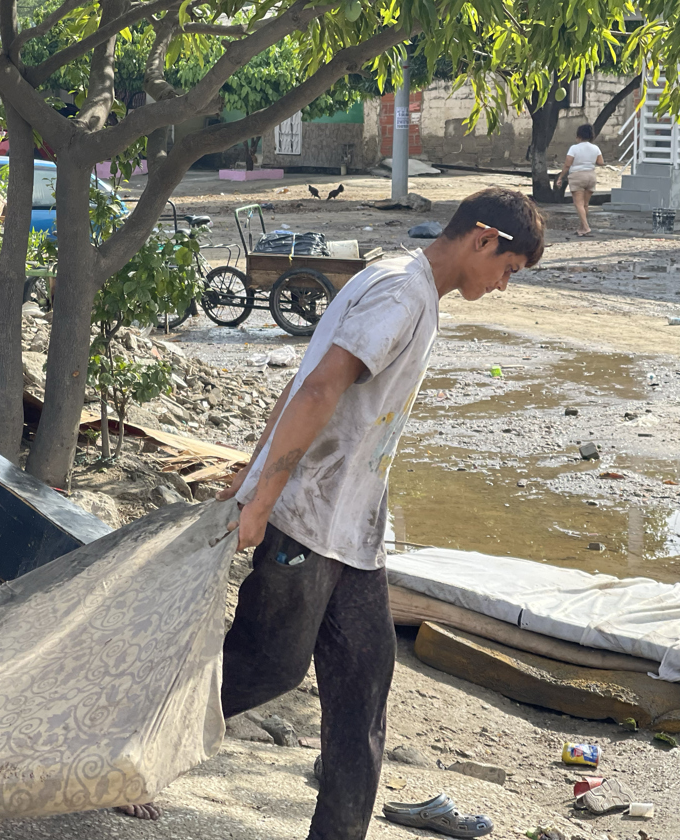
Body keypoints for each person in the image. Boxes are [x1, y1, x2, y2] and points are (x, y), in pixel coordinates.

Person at [212, 187, 545, 840]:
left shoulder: (405, 288)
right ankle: (133, 734)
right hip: (308, 521)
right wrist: (262, 495)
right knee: (262, 669)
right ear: (484, 239)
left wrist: (251, 469)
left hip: (355, 535)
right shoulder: (401, 292)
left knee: (363, 697)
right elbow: (318, 386)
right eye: (508, 270)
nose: (504, 286)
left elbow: (302, 379)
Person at [559, 123, 604, 236]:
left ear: (579, 135)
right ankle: (581, 228)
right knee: (585, 205)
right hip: (591, 176)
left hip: (577, 176)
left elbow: (567, 164)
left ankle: (587, 227)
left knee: (578, 204)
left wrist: (560, 177)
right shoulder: (595, 148)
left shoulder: (574, 148)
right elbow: (600, 162)